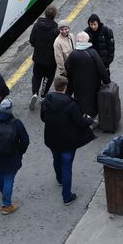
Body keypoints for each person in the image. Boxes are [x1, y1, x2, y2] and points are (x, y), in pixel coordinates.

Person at [41, 76, 96, 205]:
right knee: (67, 166)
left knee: (56, 159)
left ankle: (59, 179)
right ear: (65, 87)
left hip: (51, 138)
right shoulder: (71, 105)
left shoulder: (46, 102)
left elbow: (43, 118)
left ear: (55, 86)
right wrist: (90, 120)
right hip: (68, 141)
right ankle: (67, 196)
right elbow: (80, 122)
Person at [65, 31, 110, 119]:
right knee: (92, 100)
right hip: (92, 83)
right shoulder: (92, 52)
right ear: (87, 40)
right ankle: (90, 118)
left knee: (80, 99)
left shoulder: (73, 54)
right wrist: (107, 80)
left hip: (77, 83)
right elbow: (101, 68)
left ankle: (81, 116)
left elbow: (67, 66)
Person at [29, 5, 59, 111]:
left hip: (38, 57)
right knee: (48, 77)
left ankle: (35, 93)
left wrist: (37, 47)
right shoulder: (56, 29)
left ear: (45, 14)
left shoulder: (37, 26)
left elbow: (32, 40)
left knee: (37, 76)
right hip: (51, 61)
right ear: (54, 15)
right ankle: (43, 96)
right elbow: (57, 45)